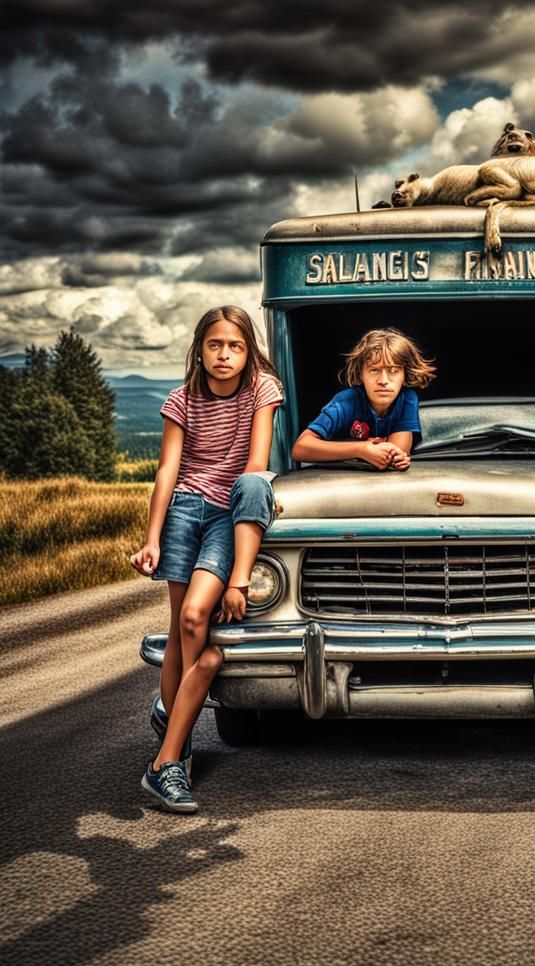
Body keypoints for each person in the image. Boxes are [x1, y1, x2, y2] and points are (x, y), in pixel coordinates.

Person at [131, 306, 283, 813]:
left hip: (224, 515)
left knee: (198, 617)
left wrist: (239, 578)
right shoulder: (182, 400)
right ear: (200, 349)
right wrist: (152, 539)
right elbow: (167, 472)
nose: (224, 355)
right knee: (180, 628)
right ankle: (173, 758)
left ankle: (167, 743)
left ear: (248, 352)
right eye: (215, 345)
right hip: (183, 511)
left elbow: (256, 466)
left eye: (235, 346)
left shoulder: (262, 390)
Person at [291, 327, 435, 467]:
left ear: (405, 375)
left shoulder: (407, 398)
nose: (383, 380)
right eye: (374, 370)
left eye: (393, 370)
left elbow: (396, 453)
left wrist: (389, 456)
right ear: (361, 374)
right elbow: (300, 448)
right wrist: (361, 449)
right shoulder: (345, 402)